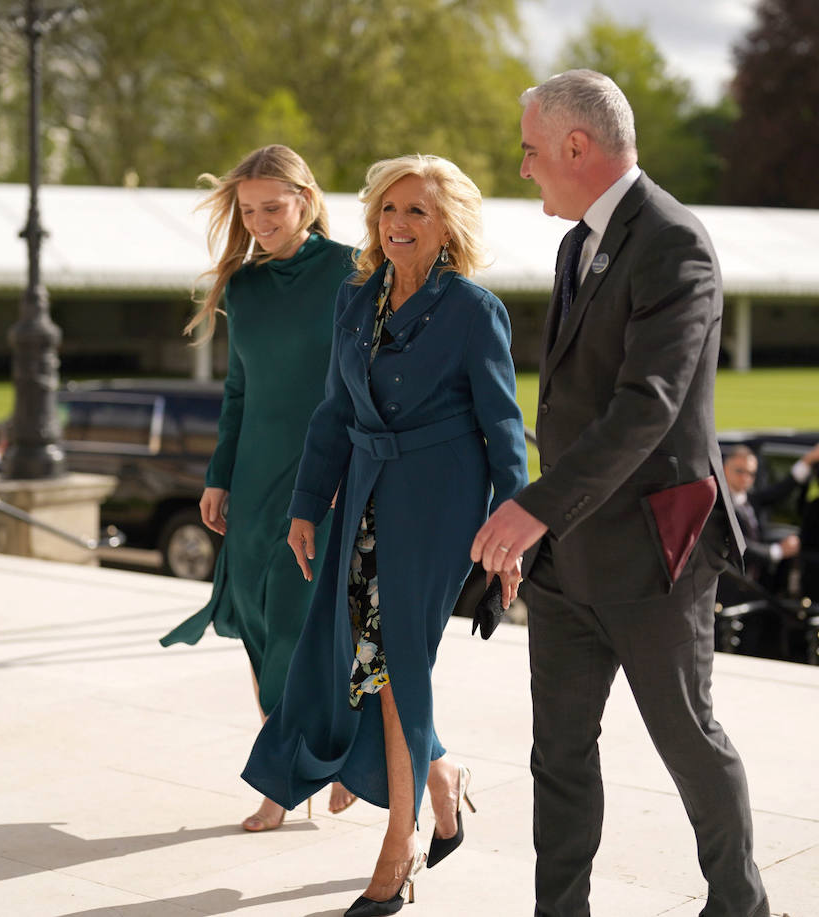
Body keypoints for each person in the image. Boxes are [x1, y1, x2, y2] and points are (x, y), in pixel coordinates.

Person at [472, 70, 770, 917]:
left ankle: (740, 906)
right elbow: (569, 403)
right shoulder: (576, 244)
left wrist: (535, 506)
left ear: (577, 146)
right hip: (568, 559)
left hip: (655, 555)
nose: (524, 168)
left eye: (531, 151)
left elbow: (650, 407)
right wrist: (545, 519)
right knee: (557, 755)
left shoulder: (676, 241)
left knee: (689, 743)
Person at [242, 154, 528, 917]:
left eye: (418, 213)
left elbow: (505, 426)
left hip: (441, 502)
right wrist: (307, 504)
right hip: (364, 491)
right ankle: (442, 780)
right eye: (389, 210)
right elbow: (334, 409)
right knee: (364, 658)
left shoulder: (473, 308)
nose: (398, 225)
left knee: (399, 658)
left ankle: (398, 847)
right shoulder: (354, 298)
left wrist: (514, 531)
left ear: (448, 227)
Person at [158, 144, 359, 832]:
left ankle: (291, 773)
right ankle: (308, 756)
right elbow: (239, 389)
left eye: (274, 207)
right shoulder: (240, 286)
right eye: (250, 211)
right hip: (253, 475)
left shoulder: (350, 270)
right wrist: (218, 477)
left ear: (306, 199)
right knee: (252, 618)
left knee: (301, 625)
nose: (262, 221)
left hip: (321, 473)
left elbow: (361, 382)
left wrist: (346, 473)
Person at [721, 441, 819, 590]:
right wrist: (777, 551)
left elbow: (781, 491)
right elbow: (737, 544)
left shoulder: (750, 499)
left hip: (754, 582)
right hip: (730, 585)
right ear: (724, 469)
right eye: (740, 471)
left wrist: (807, 461)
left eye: (751, 474)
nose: (745, 478)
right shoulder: (719, 505)